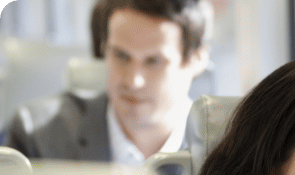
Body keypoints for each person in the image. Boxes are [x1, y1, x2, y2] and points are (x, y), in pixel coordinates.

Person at [3, 0, 211, 162]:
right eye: (121, 56)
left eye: (153, 61)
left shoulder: (228, 152)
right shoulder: (37, 138)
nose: (133, 81)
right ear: (102, 51)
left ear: (197, 60)